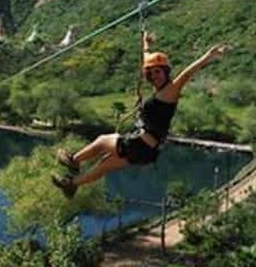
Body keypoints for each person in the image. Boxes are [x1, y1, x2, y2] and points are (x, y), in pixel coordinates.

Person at [52, 33, 228, 198]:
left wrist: (208, 57)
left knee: (103, 141)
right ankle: (72, 184)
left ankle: (74, 160)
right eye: (151, 73)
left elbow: (187, 73)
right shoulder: (159, 90)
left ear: (166, 72)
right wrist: (145, 45)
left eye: (158, 72)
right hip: (146, 151)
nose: (154, 76)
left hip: (140, 145)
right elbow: (148, 61)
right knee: (104, 165)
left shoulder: (170, 91)